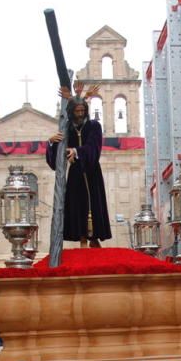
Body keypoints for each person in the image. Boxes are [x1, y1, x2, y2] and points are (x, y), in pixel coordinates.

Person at [46, 87, 111, 248]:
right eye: (77, 111)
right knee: (77, 204)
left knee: (93, 203)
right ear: (71, 111)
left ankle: (94, 238)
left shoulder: (94, 126)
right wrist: (51, 142)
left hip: (91, 172)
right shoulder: (66, 127)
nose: (80, 114)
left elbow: (94, 147)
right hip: (75, 173)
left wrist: (76, 151)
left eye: (83, 110)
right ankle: (82, 238)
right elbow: (57, 157)